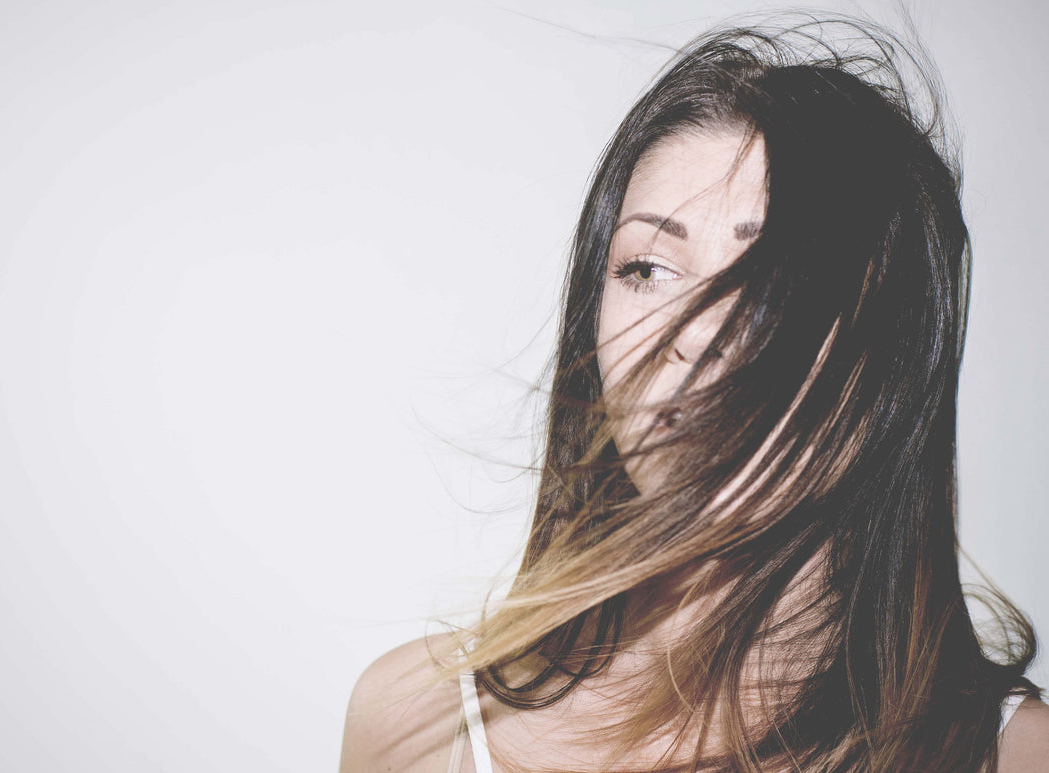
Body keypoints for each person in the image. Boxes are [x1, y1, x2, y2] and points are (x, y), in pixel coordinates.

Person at [340, 16, 1049, 773]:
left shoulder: (1014, 754)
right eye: (649, 269)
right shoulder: (414, 722)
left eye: (780, 279)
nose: (695, 331)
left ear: (896, 352)